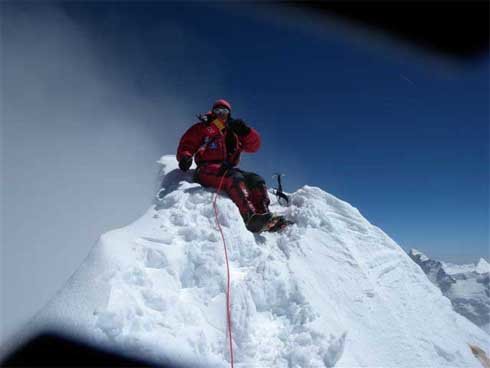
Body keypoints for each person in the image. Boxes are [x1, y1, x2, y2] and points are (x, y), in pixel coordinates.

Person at [176, 99, 282, 233]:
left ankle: (265, 216)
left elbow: (254, 146)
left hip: (227, 167)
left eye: (224, 111)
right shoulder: (204, 127)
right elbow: (188, 143)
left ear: (229, 113)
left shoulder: (234, 131)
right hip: (206, 168)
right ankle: (249, 217)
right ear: (213, 112)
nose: (221, 114)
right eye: (217, 111)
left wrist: (246, 132)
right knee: (234, 178)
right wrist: (185, 156)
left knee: (256, 179)